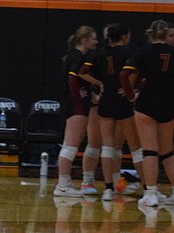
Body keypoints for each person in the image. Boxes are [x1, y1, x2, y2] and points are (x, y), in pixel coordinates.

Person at [121, 20, 174, 208]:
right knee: (168, 152)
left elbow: (124, 75)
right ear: (166, 34)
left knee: (150, 151)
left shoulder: (143, 51)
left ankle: (151, 193)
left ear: (151, 33)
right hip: (169, 104)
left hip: (147, 103)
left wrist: (130, 95)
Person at [86, 23, 141, 200]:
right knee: (135, 147)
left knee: (107, 147)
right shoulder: (127, 52)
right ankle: (149, 189)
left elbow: (82, 72)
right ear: (124, 37)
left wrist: (99, 83)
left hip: (106, 100)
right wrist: (130, 89)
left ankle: (108, 189)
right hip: (122, 102)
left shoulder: (99, 53)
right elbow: (137, 73)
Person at [53, 26, 102, 198]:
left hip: (73, 104)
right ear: (85, 40)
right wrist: (78, 96)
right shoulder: (78, 55)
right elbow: (73, 77)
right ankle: (62, 186)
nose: (96, 41)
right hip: (76, 106)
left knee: (69, 145)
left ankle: (64, 183)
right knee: (70, 146)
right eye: (94, 38)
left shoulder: (74, 55)